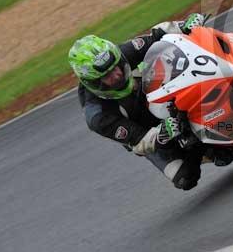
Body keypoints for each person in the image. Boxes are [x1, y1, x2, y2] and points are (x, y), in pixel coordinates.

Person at [68, 13, 207, 190]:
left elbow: (157, 36)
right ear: (94, 82)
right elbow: (137, 140)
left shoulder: (121, 56)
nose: (117, 74)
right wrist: (162, 134)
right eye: (108, 76)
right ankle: (203, 149)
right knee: (185, 178)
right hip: (146, 131)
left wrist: (185, 25)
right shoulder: (98, 116)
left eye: (116, 67)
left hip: (159, 95)